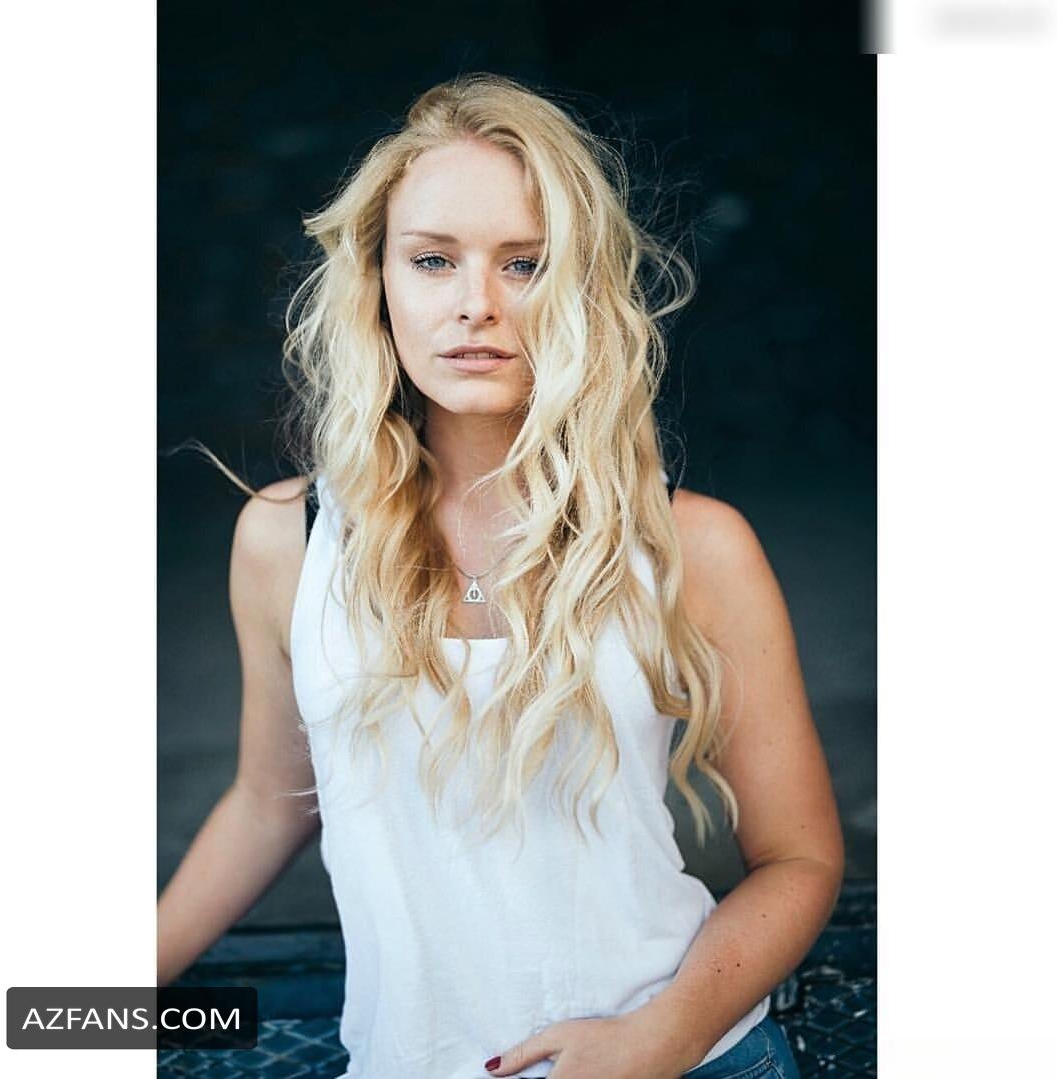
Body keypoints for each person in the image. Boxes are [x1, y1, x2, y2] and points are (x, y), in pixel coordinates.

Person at [157, 73, 843, 1078]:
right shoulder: (287, 539)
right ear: (378, 282)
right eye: (432, 259)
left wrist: (668, 1033)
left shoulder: (689, 545)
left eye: (525, 263)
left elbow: (802, 857)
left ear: (581, 288)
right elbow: (272, 802)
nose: (475, 303)